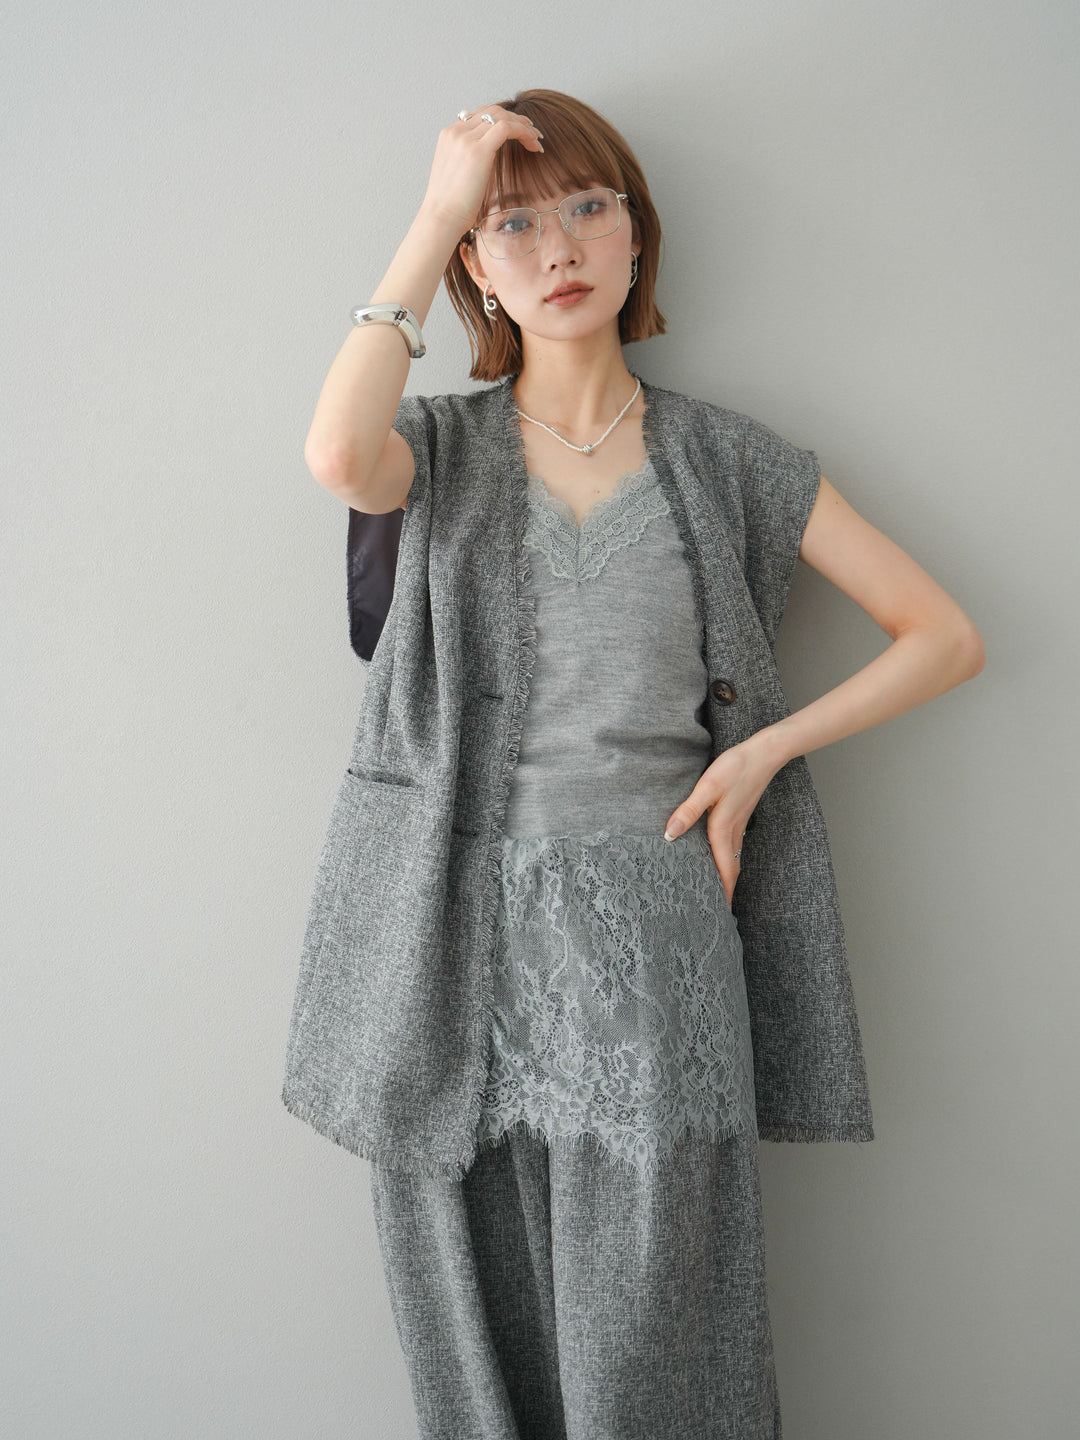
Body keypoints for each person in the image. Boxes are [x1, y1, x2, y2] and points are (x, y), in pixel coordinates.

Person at [289, 89, 985, 1440]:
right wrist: (437, 210)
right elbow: (334, 453)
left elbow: (944, 636)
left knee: (663, 1361)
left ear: (634, 234)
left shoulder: (727, 460)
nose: (559, 248)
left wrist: (763, 753)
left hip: (656, 946)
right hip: (447, 953)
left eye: (588, 209)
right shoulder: (434, 452)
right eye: (514, 226)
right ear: (474, 268)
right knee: (478, 1355)